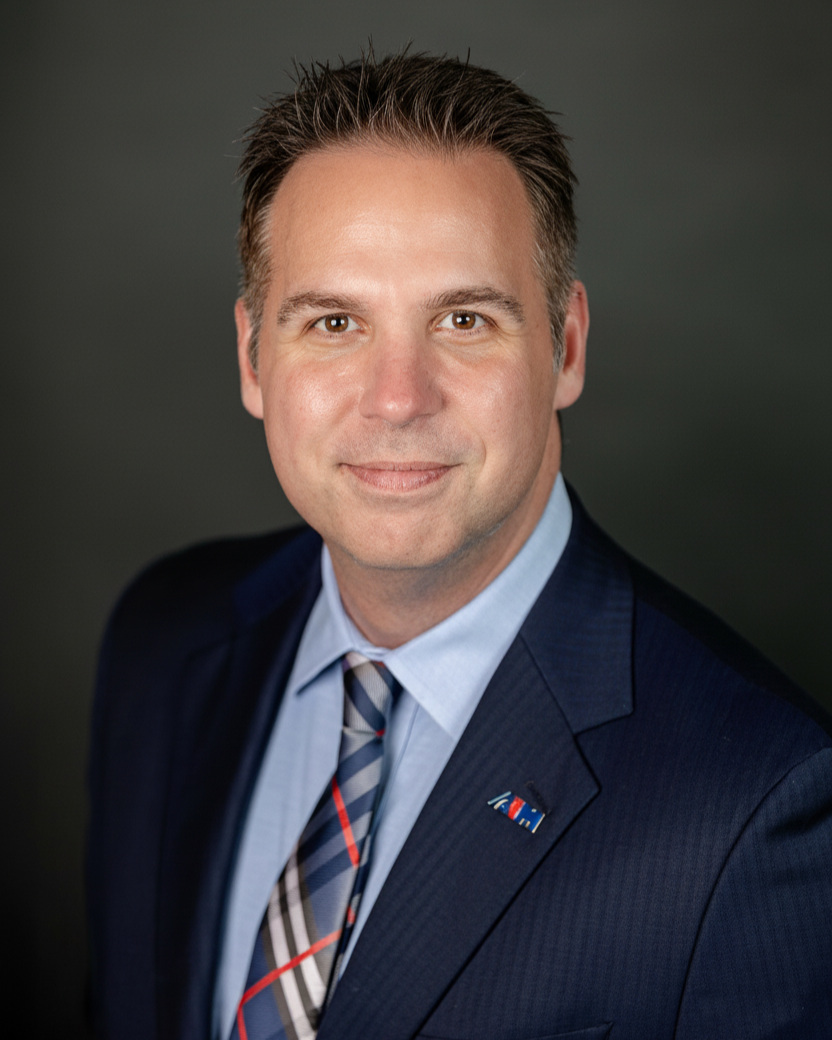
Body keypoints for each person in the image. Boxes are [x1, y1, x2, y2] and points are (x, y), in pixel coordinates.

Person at [87, 51, 832, 1040]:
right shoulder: (162, 639)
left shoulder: (757, 802)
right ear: (253, 357)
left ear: (565, 348)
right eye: (335, 321)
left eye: (464, 318)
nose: (398, 398)